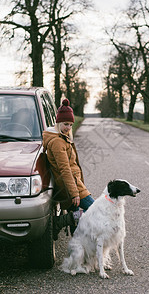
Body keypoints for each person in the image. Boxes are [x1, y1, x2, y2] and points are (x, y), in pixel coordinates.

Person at [42, 98, 94, 239]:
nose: (68, 128)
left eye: (70, 125)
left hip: (75, 183)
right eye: (65, 124)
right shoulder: (57, 142)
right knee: (95, 209)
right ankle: (60, 221)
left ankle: (77, 251)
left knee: (76, 222)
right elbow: (65, 169)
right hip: (72, 185)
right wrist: (74, 193)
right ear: (58, 122)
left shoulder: (63, 137)